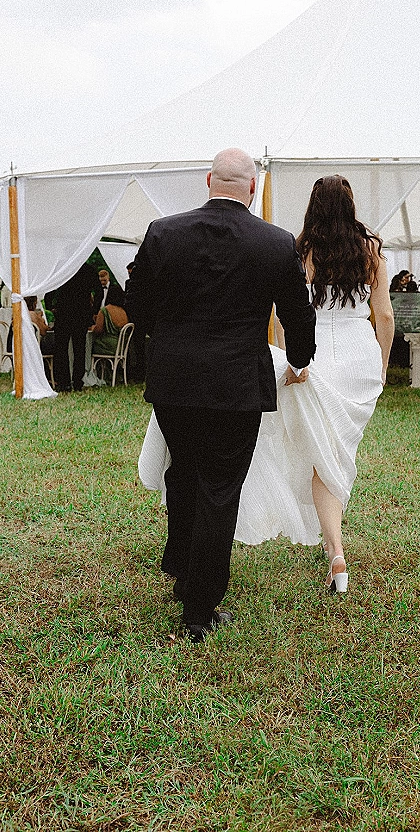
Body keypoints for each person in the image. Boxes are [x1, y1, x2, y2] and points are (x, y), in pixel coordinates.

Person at [127, 148, 316, 643]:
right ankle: (199, 607)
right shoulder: (275, 244)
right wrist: (300, 358)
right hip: (235, 385)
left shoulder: (163, 233)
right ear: (252, 188)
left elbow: (136, 302)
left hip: (174, 381)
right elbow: (299, 313)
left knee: (184, 471)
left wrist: (163, 340)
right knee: (219, 486)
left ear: (208, 180)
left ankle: (184, 574)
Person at [229, 175, 394, 593]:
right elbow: (386, 318)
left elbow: (287, 314)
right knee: (334, 452)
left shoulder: (301, 248)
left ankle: (335, 550)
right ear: (350, 204)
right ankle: (334, 548)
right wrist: (381, 367)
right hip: (359, 358)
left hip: (315, 356)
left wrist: (292, 361)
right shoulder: (370, 249)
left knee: (324, 454)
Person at [47, 262, 99, 392]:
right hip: (81, 313)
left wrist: (50, 306)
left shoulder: (64, 266)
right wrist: (93, 310)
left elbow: (51, 287)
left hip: (64, 312)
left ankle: (64, 382)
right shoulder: (88, 269)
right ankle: (77, 381)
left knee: (61, 348)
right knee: (79, 349)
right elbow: (99, 291)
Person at [89, 284, 128, 354]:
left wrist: (93, 327)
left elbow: (98, 330)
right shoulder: (124, 311)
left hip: (108, 346)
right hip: (122, 347)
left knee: (89, 347)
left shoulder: (105, 310)